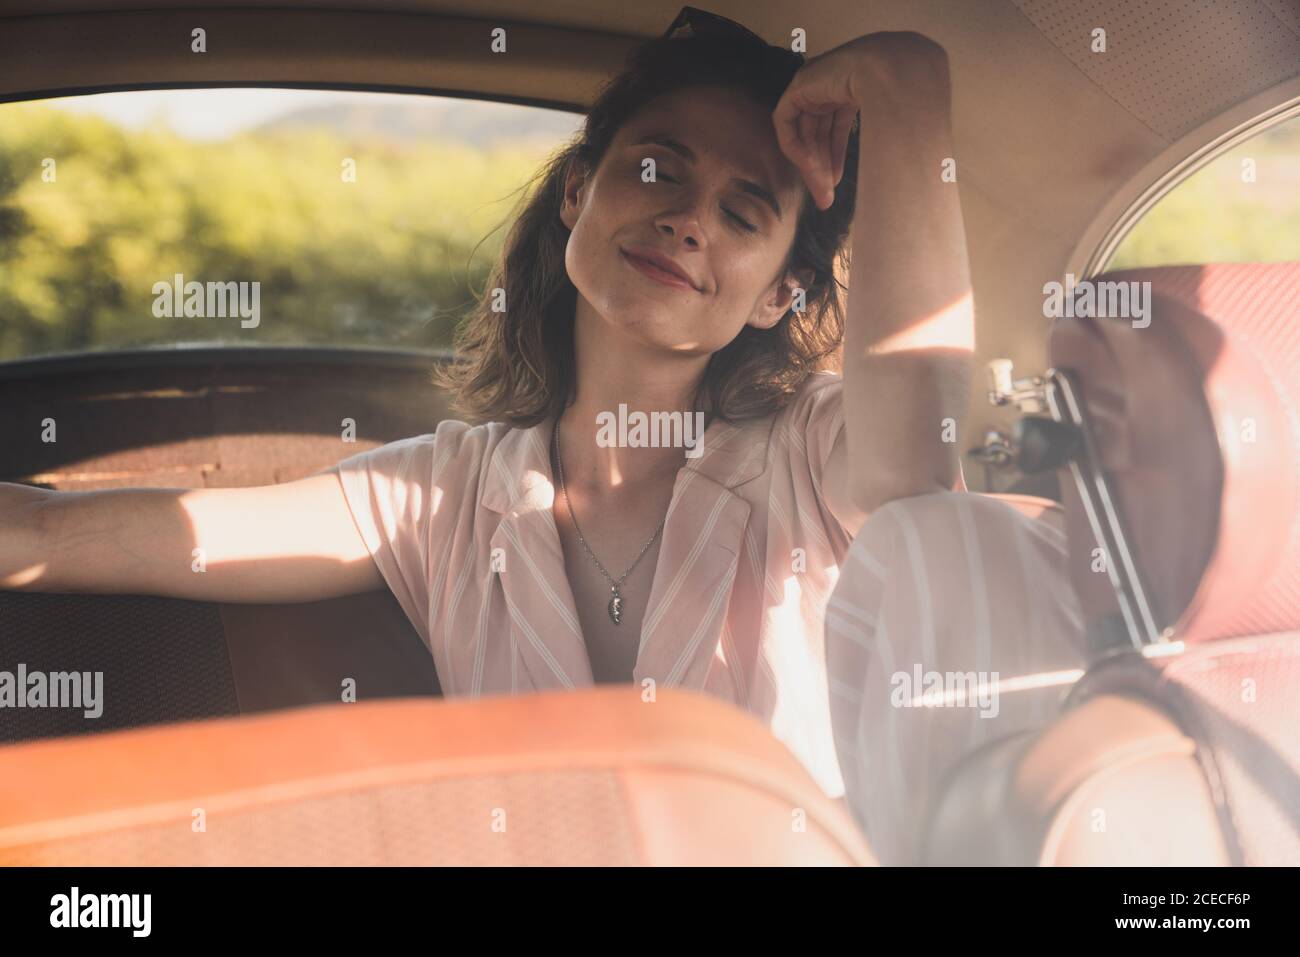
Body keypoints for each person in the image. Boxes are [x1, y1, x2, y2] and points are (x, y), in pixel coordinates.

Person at [0, 8, 973, 803]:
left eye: (742, 212)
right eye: (654, 168)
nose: (685, 217)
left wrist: (903, 87)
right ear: (577, 194)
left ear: (777, 294)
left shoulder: (816, 451)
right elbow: (68, 533)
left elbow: (916, 469)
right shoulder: (441, 492)